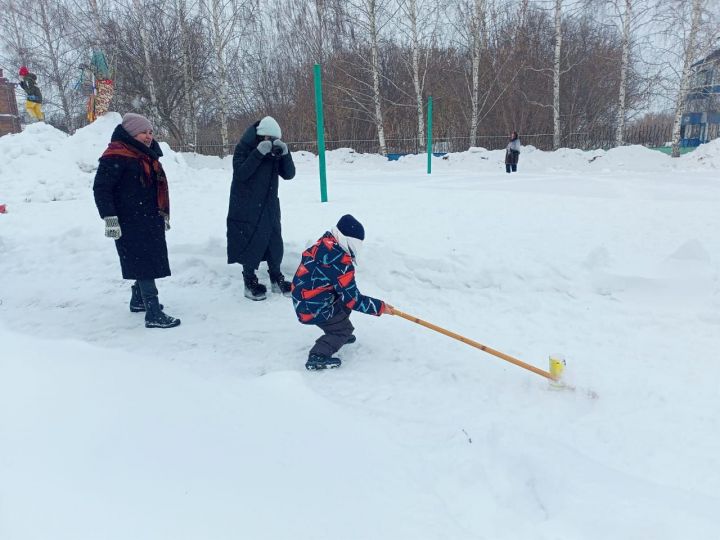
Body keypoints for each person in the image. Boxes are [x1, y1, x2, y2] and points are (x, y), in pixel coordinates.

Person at [93, 113, 181, 329]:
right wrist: (110, 218)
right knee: (144, 263)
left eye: (151, 132)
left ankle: (138, 299)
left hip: (149, 217)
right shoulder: (115, 155)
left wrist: (162, 214)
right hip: (128, 220)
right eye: (143, 132)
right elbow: (101, 189)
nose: (148, 136)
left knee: (147, 260)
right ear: (132, 134)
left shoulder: (148, 156)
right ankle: (153, 312)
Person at [291, 214, 394, 370]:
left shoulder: (325, 245)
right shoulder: (339, 262)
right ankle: (318, 355)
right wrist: (380, 307)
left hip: (305, 299)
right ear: (350, 241)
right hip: (312, 307)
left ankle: (336, 334)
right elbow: (353, 299)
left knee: (344, 305)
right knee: (344, 329)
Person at [227, 116, 296, 301]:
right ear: (259, 136)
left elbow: (289, 174)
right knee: (250, 240)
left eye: (275, 139)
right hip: (246, 205)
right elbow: (241, 174)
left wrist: (286, 153)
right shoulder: (243, 148)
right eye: (269, 139)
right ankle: (249, 281)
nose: (271, 143)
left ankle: (276, 277)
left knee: (274, 241)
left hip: (269, 203)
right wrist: (257, 153)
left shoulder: (274, 151)